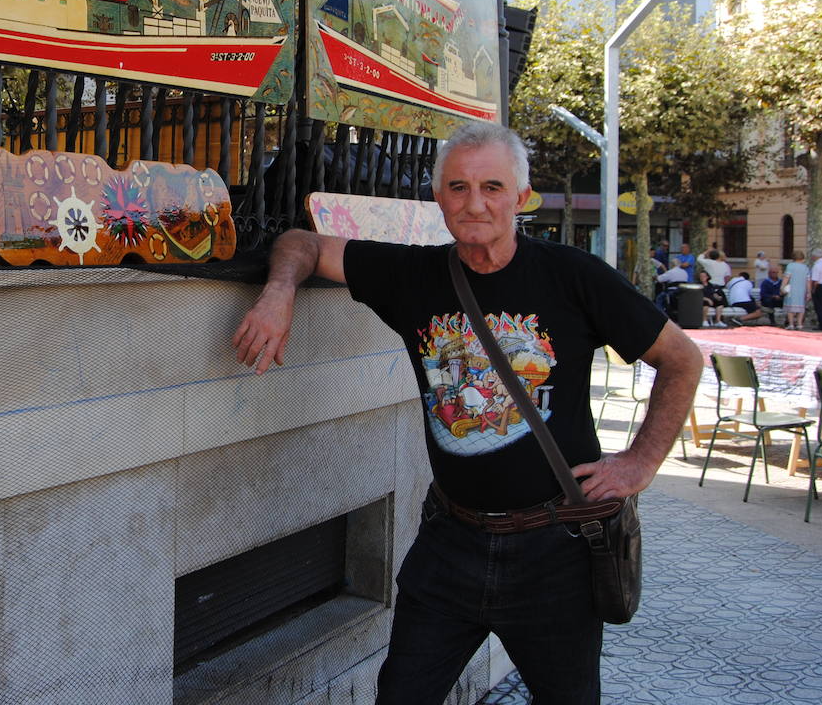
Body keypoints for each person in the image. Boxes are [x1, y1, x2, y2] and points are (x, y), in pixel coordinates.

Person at [231, 122, 702, 705]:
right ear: (439, 199)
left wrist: (641, 462)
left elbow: (682, 359)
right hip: (450, 544)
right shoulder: (414, 277)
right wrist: (278, 294)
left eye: (492, 187)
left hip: (554, 549)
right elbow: (301, 242)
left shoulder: (572, 276)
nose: (473, 203)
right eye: (458, 187)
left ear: (521, 199)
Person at [784, 251, 809, 330]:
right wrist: (809, 291)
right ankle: (799, 324)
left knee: (790, 307)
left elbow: (786, 278)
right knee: (801, 307)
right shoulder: (805, 267)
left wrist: (782, 287)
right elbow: (808, 280)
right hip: (802, 289)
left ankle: (791, 324)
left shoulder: (790, 266)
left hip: (792, 288)